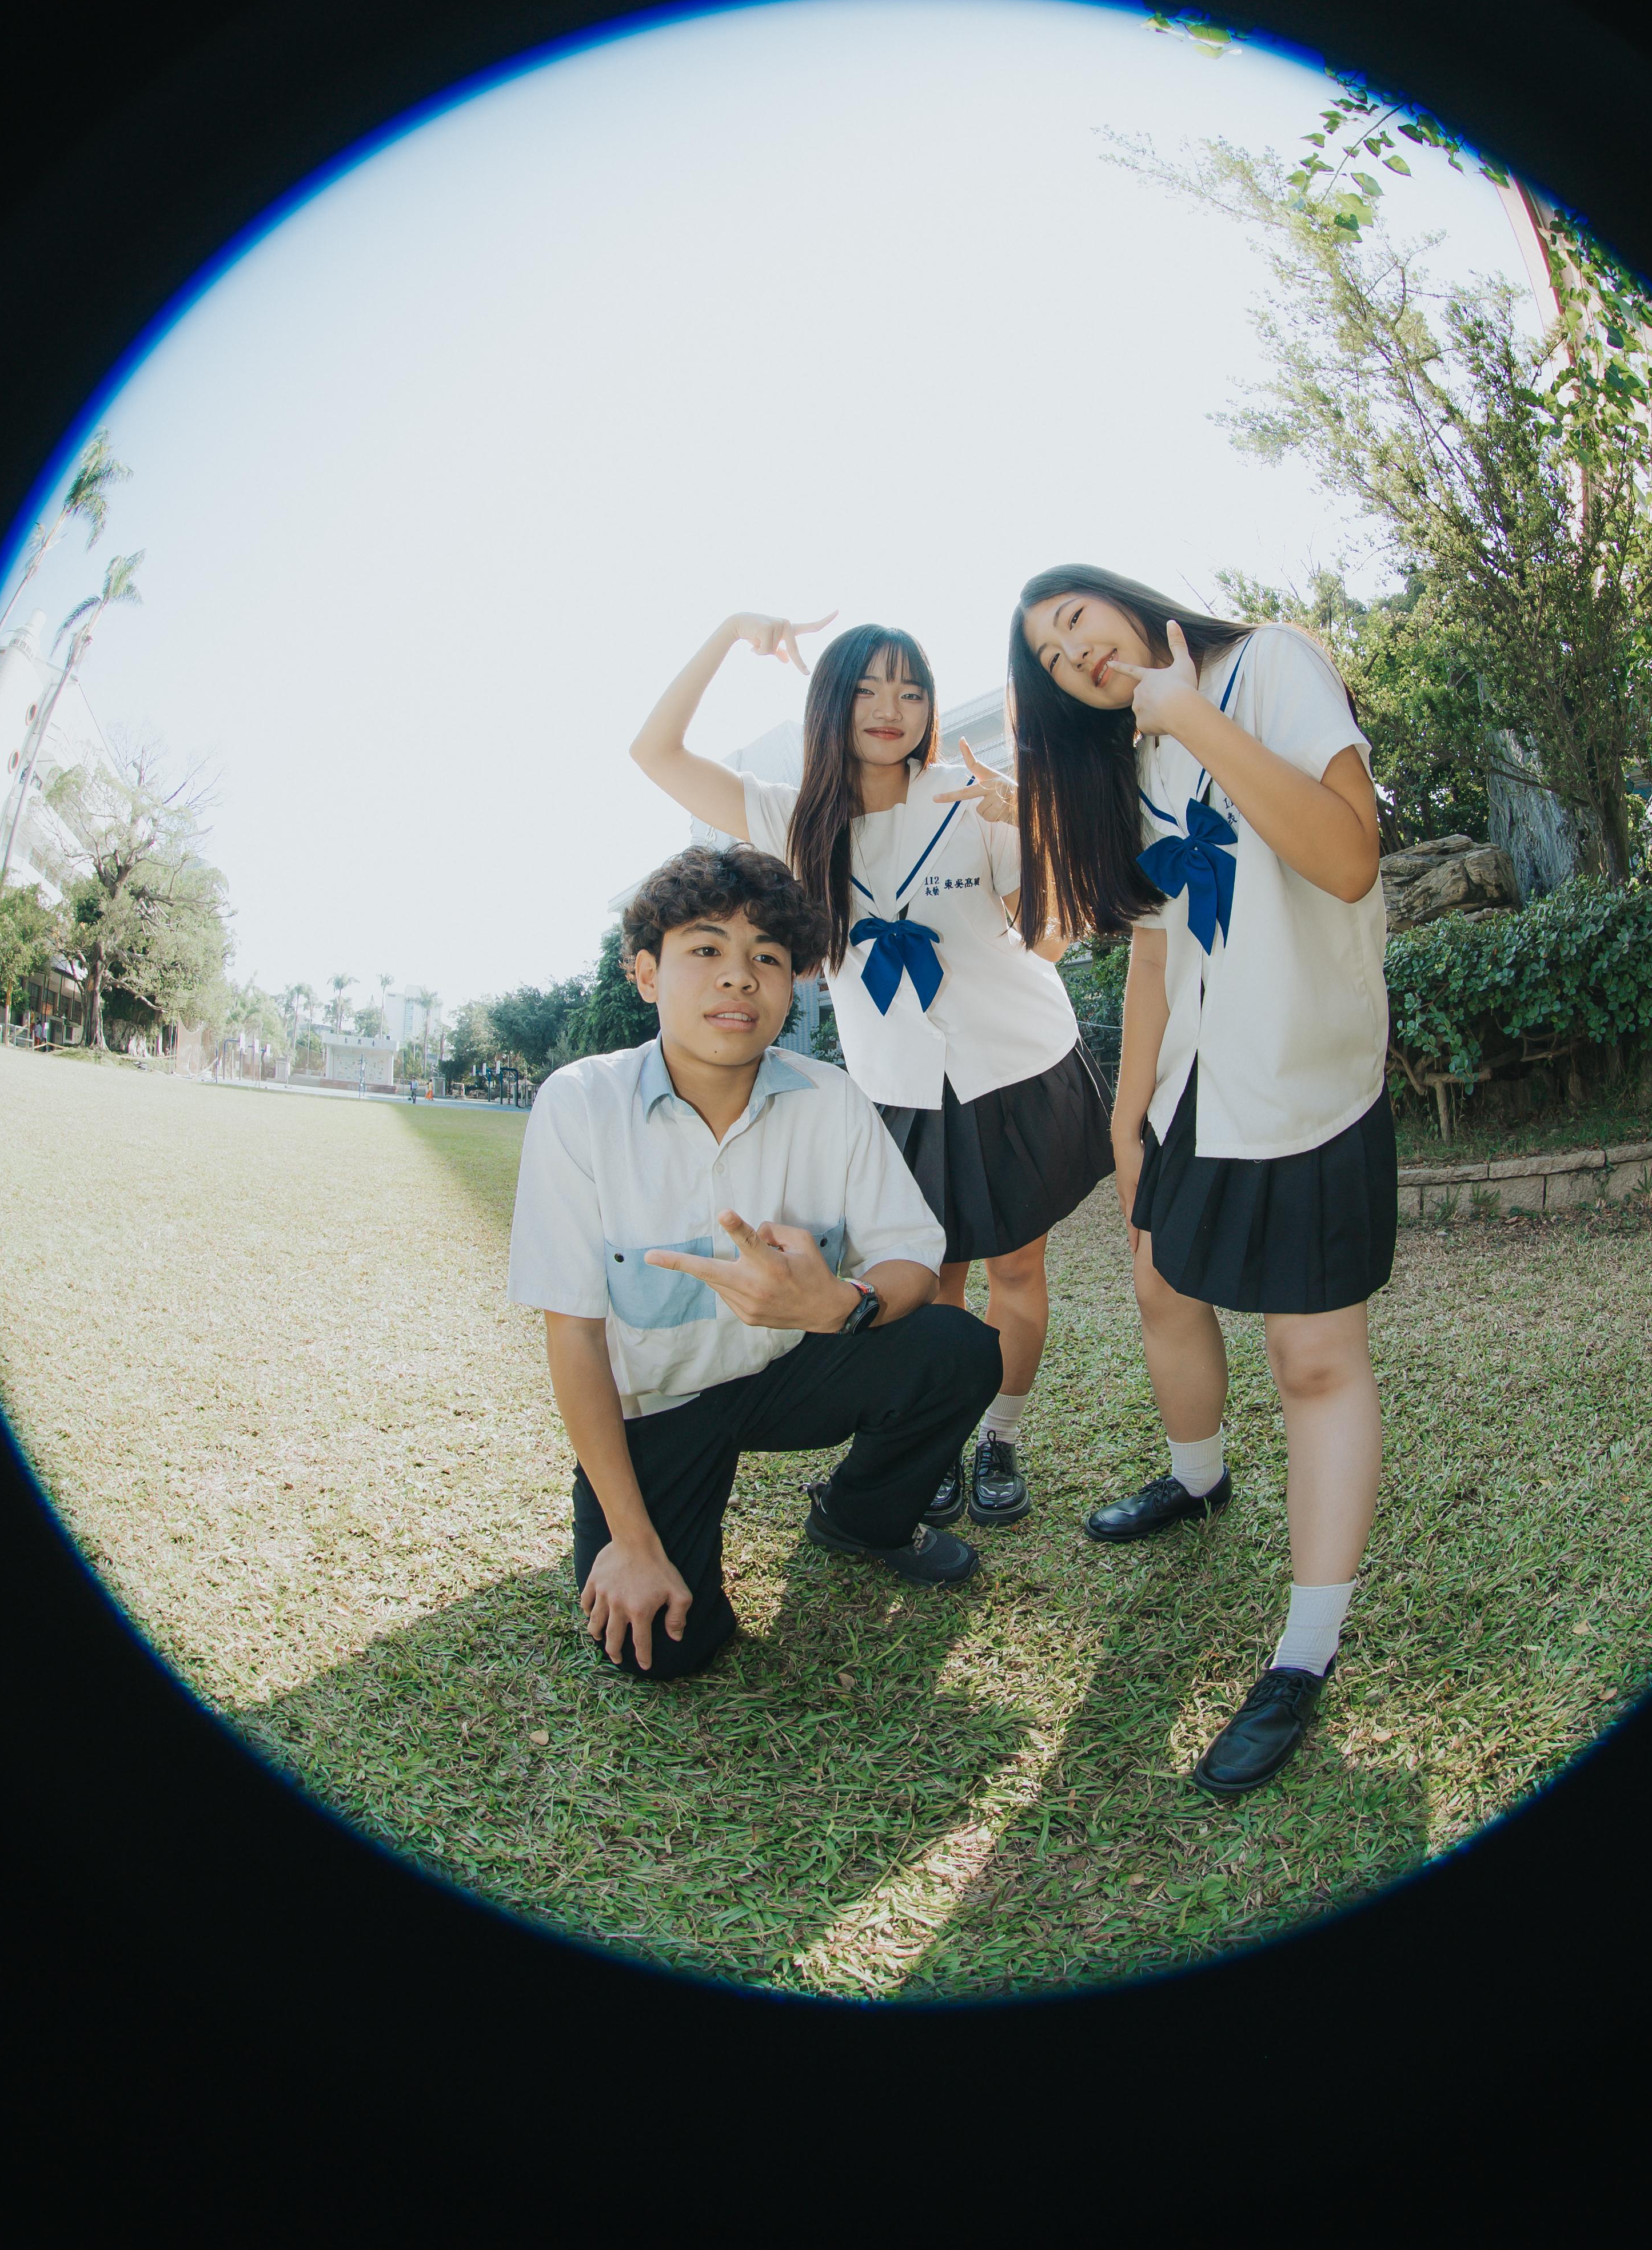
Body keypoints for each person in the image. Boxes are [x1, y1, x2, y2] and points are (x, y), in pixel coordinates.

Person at [1011, 561, 1393, 1801]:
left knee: (1311, 1359)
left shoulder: (1269, 664)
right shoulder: (1131, 765)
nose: (1076, 654)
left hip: (1304, 1084)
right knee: (1161, 1285)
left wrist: (1190, 716)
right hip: (1191, 1091)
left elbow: (1347, 857)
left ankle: (1302, 1653)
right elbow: (1157, 949)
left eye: (1075, 620)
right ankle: (1197, 1478)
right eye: (1052, 659)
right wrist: (1128, 1114)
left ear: (1120, 599)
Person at [631, 611, 1115, 1529]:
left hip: (1017, 1067)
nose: (892, 708)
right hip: (901, 1091)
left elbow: (1049, 940)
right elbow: (656, 752)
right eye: (867, 688)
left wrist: (1033, 823)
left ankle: (1001, 1438)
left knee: (1017, 1267)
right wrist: (731, 634)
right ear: (831, 703)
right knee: (929, 1279)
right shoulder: (790, 818)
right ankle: (937, 1441)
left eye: (911, 689)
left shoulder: (968, 792)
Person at [506, 842, 1001, 1680]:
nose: (739, 977)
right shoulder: (582, 1104)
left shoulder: (830, 1098)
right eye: (706, 950)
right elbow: (575, 1336)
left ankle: (860, 1519)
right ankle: (650, 1530)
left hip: (792, 1371)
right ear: (647, 975)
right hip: (658, 1410)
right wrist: (633, 1541)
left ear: (792, 984)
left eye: (766, 957)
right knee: (664, 1653)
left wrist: (843, 1304)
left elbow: (914, 1257)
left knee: (959, 1349)